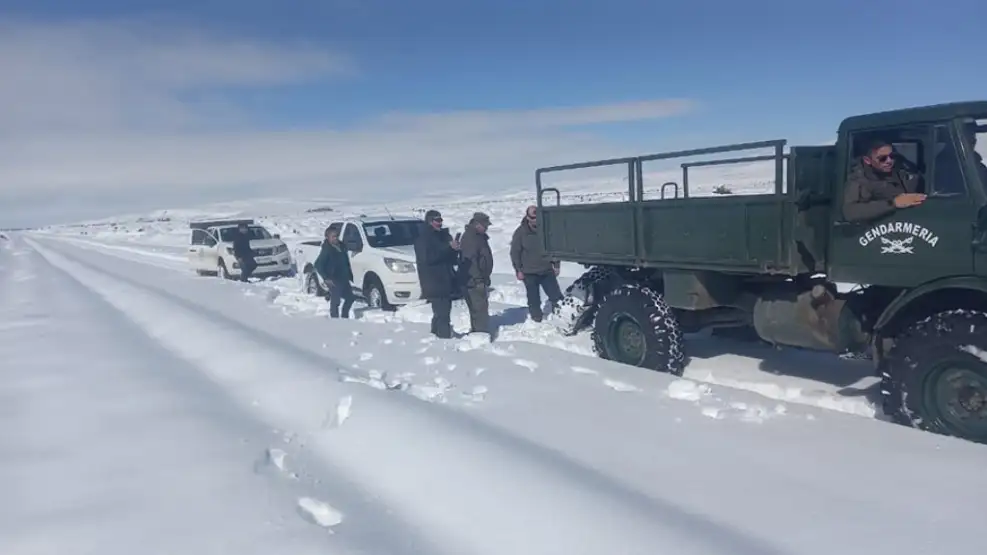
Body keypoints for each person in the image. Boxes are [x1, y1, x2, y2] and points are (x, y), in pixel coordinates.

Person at [843, 140, 926, 222]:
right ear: (867, 160)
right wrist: (893, 203)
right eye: (882, 158)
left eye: (892, 156)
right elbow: (850, 212)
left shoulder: (903, 168)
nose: (889, 161)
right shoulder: (859, 179)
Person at [510, 205, 563, 322]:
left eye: (537, 218)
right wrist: (518, 269)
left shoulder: (546, 230)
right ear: (527, 218)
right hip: (529, 272)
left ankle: (562, 316)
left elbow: (553, 248)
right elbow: (515, 252)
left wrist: (557, 265)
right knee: (533, 298)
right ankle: (536, 319)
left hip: (546, 269)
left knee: (556, 296)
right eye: (533, 218)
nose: (535, 220)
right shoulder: (520, 233)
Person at [413, 209, 460, 338]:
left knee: (441, 314)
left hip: (445, 280)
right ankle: (443, 340)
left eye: (441, 220)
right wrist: (448, 248)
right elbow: (428, 258)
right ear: (429, 221)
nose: (440, 223)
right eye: (437, 220)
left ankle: (435, 338)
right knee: (443, 314)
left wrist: (454, 249)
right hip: (433, 281)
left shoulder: (442, 236)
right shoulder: (423, 239)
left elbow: (449, 259)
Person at [458, 212, 493, 336]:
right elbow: (470, 261)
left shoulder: (479, 237)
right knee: (479, 309)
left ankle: (478, 333)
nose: (487, 228)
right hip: (473, 281)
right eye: (485, 226)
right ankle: (480, 336)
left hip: (479, 279)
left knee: (479, 309)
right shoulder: (470, 238)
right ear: (477, 224)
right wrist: (478, 279)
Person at [314, 226, 355, 318]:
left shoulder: (341, 246)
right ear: (327, 237)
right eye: (333, 236)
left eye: (336, 236)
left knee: (350, 298)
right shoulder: (327, 249)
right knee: (336, 301)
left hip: (344, 277)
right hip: (333, 278)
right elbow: (318, 264)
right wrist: (326, 278)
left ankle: (345, 317)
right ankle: (334, 321)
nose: (335, 238)